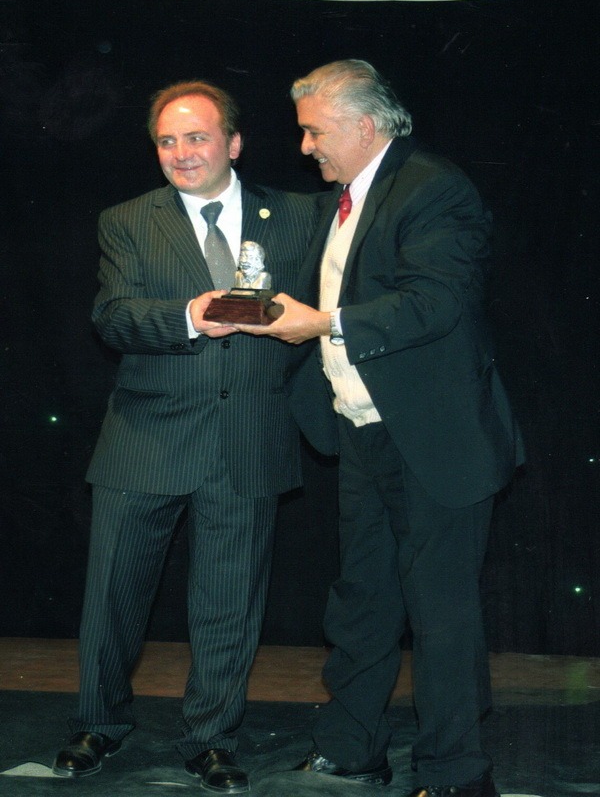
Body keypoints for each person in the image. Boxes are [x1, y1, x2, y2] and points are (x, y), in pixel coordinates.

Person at [234, 60, 524, 797]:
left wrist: (323, 322)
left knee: (441, 614)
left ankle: (456, 774)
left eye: (314, 131)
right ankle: (351, 749)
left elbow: (437, 304)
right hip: (363, 434)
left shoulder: (434, 188)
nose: (304, 147)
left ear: (366, 127)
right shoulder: (348, 198)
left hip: (436, 443)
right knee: (362, 603)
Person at [51, 80, 317, 794]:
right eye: (167, 141)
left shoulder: (296, 217)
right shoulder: (128, 220)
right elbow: (113, 318)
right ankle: (97, 725)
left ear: (232, 143)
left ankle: (212, 741)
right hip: (145, 437)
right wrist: (191, 315)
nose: (180, 153)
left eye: (196, 137)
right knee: (112, 600)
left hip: (249, 438)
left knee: (230, 606)